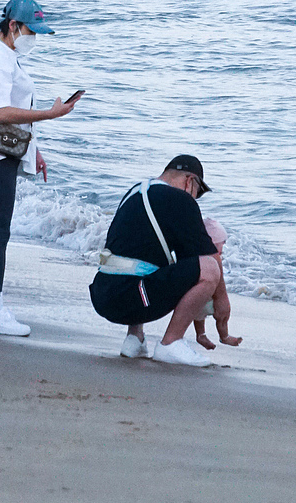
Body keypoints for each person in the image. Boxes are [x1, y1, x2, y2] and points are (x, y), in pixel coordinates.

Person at [0, 0, 80, 337]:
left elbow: (9, 112)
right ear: (13, 26)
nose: (34, 38)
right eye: (31, 31)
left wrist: (34, 150)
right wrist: (50, 113)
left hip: (5, 150)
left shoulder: (8, 57)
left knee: (0, 230)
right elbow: (2, 113)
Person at [89, 155, 225, 366]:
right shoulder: (181, 200)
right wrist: (222, 300)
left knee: (144, 257)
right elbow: (208, 260)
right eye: (197, 193)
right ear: (190, 181)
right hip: (131, 298)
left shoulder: (136, 192)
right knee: (209, 269)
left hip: (102, 295)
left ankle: (135, 339)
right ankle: (171, 343)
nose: (195, 200)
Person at [192, 214, 241, 351]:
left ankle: (209, 335)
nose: (223, 247)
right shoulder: (211, 257)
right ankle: (219, 336)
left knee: (201, 316)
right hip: (207, 296)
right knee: (220, 316)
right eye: (221, 243)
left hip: (203, 296)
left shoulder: (196, 254)